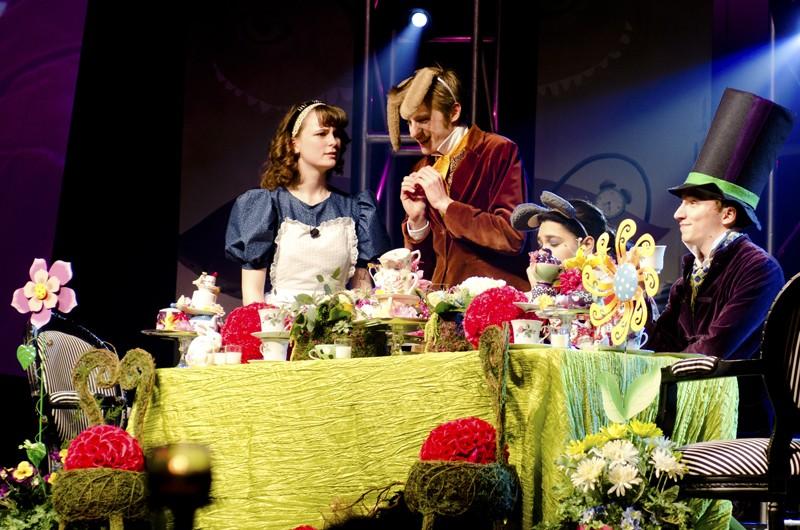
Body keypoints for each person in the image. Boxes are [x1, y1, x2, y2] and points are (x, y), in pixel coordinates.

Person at [647, 88, 793, 435]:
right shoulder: (689, 274)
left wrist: (653, 379)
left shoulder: (758, 268)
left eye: (693, 202)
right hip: (687, 402)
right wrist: (637, 302)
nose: (679, 213)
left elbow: (714, 348)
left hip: (737, 420)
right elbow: (660, 344)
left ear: (727, 213)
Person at [225, 100, 392, 305]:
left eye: (336, 134)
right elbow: (252, 294)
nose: (333, 141)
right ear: (293, 143)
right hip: (279, 327)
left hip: (338, 329)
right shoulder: (266, 205)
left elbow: (362, 294)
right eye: (322, 133)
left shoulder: (357, 209)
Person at [386, 66, 530, 291]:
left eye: (422, 120)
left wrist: (447, 205)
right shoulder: (424, 166)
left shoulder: (497, 150)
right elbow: (425, 267)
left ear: (453, 112)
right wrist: (418, 222)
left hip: (492, 300)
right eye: (409, 123)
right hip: (442, 305)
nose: (413, 133)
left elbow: (511, 236)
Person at [510, 190, 615, 262]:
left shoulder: (607, 291)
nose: (541, 252)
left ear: (586, 245)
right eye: (540, 245)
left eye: (553, 243)